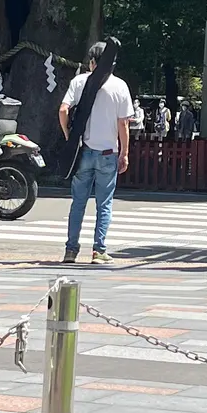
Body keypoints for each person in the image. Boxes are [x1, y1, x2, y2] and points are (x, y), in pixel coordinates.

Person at [59, 41, 134, 265]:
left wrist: (68, 136)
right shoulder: (120, 86)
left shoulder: (79, 81)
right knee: (104, 204)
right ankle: (99, 250)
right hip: (108, 152)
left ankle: (71, 250)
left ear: (92, 62)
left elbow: (63, 109)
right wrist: (125, 153)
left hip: (84, 151)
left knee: (78, 203)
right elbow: (124, 124)